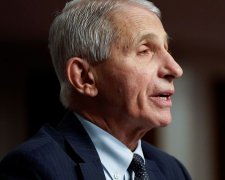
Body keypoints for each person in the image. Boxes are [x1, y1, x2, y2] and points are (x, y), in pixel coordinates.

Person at [0, 0, 191, 179]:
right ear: (84, 77)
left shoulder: (173, 171)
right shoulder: (33, 168)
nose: (175, 69)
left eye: (167, 49)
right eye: (144, 50)